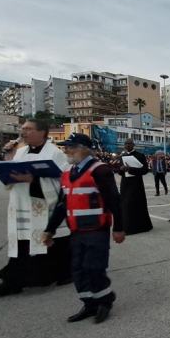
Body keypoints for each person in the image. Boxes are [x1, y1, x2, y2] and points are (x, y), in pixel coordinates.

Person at [0, 120, 73, 298]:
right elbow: (13, 172)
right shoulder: (21, 151)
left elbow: (63, 182)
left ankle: (56, 275)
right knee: (23, 243)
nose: (23, 132)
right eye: (22, 129)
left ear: (42, 132)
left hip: (43, 204)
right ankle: (13, 281)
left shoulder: (55, 153)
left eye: (28, 129)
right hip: (21, 204)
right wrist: (8, 166)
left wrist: (33, 180)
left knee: (53, 244)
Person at [42, 133, 124, 324]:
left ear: (84, 148)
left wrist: (119, 228)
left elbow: (114, 201)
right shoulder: (68, 172)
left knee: (94, 267)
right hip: (76, 230)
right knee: (78, 269)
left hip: (97, 229)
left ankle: (105, 300)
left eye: (71, 147)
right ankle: (89, 303)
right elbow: (62, 204)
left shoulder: (100, 170)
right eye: (66, 147)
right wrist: (50, 229)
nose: (67, 150)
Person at [116, 139, 153, 235]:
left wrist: (130, 169)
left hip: (136, 183)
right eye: (126, 144)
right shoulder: (122, 156)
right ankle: (127, 226)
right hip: (125, 183)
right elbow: (119, 171)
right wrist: (121, 169)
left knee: (136, 203)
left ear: (133, 145)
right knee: (125, 204)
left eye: (129, 144)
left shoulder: (140, 155)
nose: (127, 145)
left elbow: (145, 170)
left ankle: (140, 226)